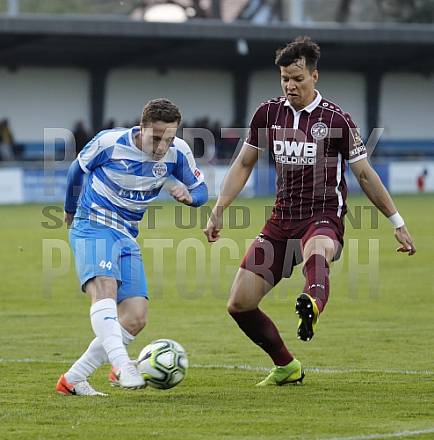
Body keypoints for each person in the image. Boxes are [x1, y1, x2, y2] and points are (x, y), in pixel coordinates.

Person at [204, 36, 416, 386]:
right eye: (284, 78)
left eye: (298, 78)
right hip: (281, 221)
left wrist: (397, 221)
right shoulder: (268, 113)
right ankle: (287, 366)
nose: (290, 85)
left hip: (323, 217)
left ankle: (312, 302)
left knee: (318, 249)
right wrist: (218, 209)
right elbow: (243, 163)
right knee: (239, 304)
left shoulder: (337, 120)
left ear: (314, 76)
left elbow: (365, 174)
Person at [57, 98, 208, 396]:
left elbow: (201, 190)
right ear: (141, 128)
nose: (162, 147)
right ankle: (123, 366)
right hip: (93, 224)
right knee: (105, 289)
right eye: (156, 138)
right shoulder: (109, 142)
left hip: (126, 235)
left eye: (169, 138)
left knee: (136, 317)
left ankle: (73, 379)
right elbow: (77, 170)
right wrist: (70, 210)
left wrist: (191, 198)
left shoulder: (178, 152)